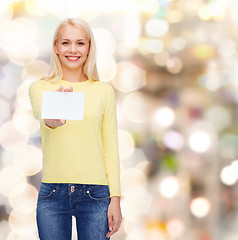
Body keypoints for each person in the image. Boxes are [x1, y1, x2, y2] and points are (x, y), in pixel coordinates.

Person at [29, 18, 122, 240]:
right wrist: (54, 117)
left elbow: (110, 146)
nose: (73, 50)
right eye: (66, 43)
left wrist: (116, 198)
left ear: (89, 48)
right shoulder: (40, 87)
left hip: (96, 195)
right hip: (52, 194)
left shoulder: (103, 91)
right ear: (56, 48)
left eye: (80, 43)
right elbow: (44, 116)